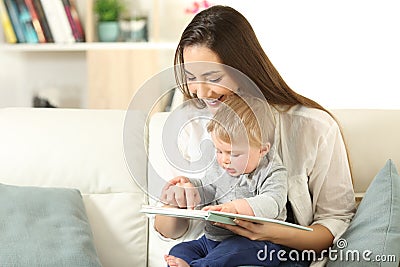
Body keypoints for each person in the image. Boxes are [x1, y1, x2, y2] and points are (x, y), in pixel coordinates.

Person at [154, 5, 356, 266]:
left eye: (213, 77)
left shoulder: (313, 127)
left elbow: (336, 219)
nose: (200, 92)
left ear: (244, 69)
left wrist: (276, 232)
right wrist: (176, 198)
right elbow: (169, 231)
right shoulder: (187, 125)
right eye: (191, 77)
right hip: (211, 244)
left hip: (272, 252)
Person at [162, 94, 288, 267]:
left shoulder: (272, 171)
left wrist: (235, 208)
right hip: (212, 241)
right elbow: (210, 190)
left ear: (263, 149)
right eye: (219, 151)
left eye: (234, 154)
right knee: (180, 251)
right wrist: (191, 188)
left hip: (256, 243)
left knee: (231, 251)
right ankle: (194, 263)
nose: (225, 160)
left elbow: (272, 203)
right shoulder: (219, 166)